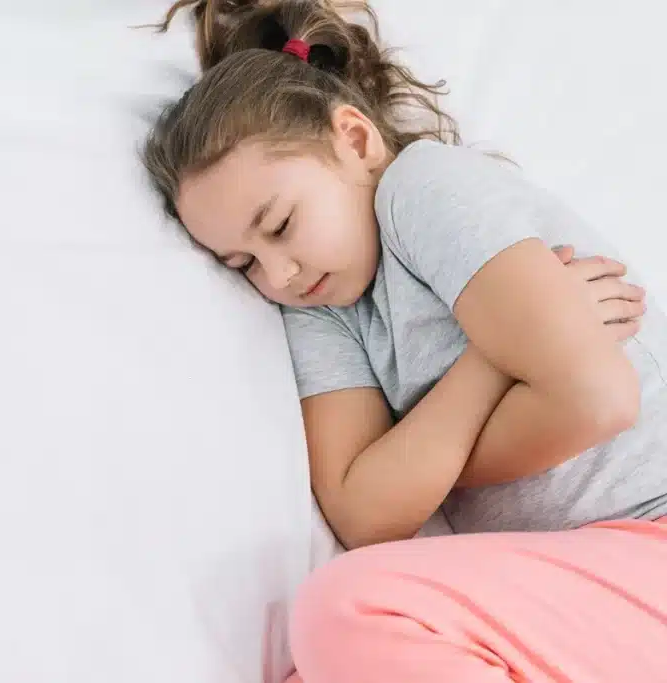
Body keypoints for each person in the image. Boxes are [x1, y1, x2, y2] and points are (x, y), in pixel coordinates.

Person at [142, 1, 667, 681]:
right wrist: (487, 368)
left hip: (647, 533)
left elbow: (597, 399)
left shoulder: (422, 189)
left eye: (279, 225)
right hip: (574, 583)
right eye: (242, 264)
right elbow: (363, 514)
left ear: (355, 141)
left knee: (348, 610)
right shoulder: (319, 309)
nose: (278, 272)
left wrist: (409, 464)